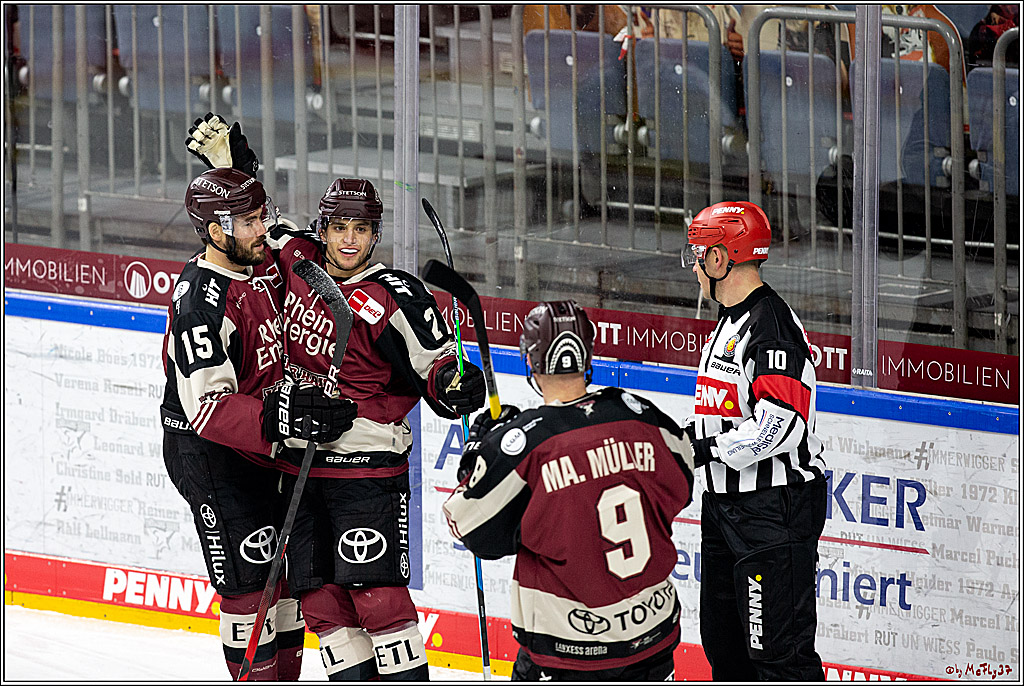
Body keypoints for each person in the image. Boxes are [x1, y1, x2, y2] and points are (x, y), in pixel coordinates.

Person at [185, 113, 487, 681]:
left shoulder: (398, 294)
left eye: (362, 229)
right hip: (299, 464)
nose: (350, 239)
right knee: (320, 601)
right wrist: (232, 169)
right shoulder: (296, 259)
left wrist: (454, 384)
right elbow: (253, 227)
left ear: (375, 235)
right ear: (321, 229)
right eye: (339, 227)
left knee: (378, 599)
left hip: (366, 468)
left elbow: (437, 364)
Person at [161, 166, 358, 680]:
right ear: (215, 231)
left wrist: (240, 163)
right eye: (249, 222)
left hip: (264, 444)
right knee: (250, 587)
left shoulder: (257, 259)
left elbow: (298, 243)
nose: (262, 228)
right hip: (212, 454)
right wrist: (288, 415)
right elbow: (209, 408)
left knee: (285, 584)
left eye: (260, 216)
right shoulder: (200, 305)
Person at [442, 300, 696, 681]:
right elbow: (684, 481)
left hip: (567, 651)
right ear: (587, 356)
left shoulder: (527, 446)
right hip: (653, 641)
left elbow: (472, 528)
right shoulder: (641, 415)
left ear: (531, 361)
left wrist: (479, 451)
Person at [680, 200, 828, 680]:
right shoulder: (729, 319)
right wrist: (684, 438)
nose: (694, 267)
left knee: (778, 658)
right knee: (725, 649)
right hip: (724, 508)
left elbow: (779, 424)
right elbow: (725, 410)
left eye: (698, 255)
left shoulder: (771, 326)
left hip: (772, 512)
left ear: (720, 258)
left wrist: (706, 449)